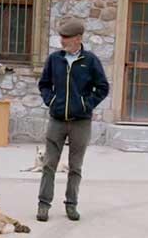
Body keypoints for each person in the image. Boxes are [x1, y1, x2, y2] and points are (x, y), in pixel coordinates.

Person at [36, 18, 109, 223]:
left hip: (81, 122)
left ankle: (71, 204)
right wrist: (51, 101)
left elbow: (102, 87)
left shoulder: (91, 60)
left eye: (66, 37)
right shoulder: (54, 59)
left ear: (78, 38)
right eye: (61, 36)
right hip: (57, 120)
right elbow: (44, 84)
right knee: (49, 164)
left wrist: (86, 105)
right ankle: (43, 204)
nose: (62, 40)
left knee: (75, 166)